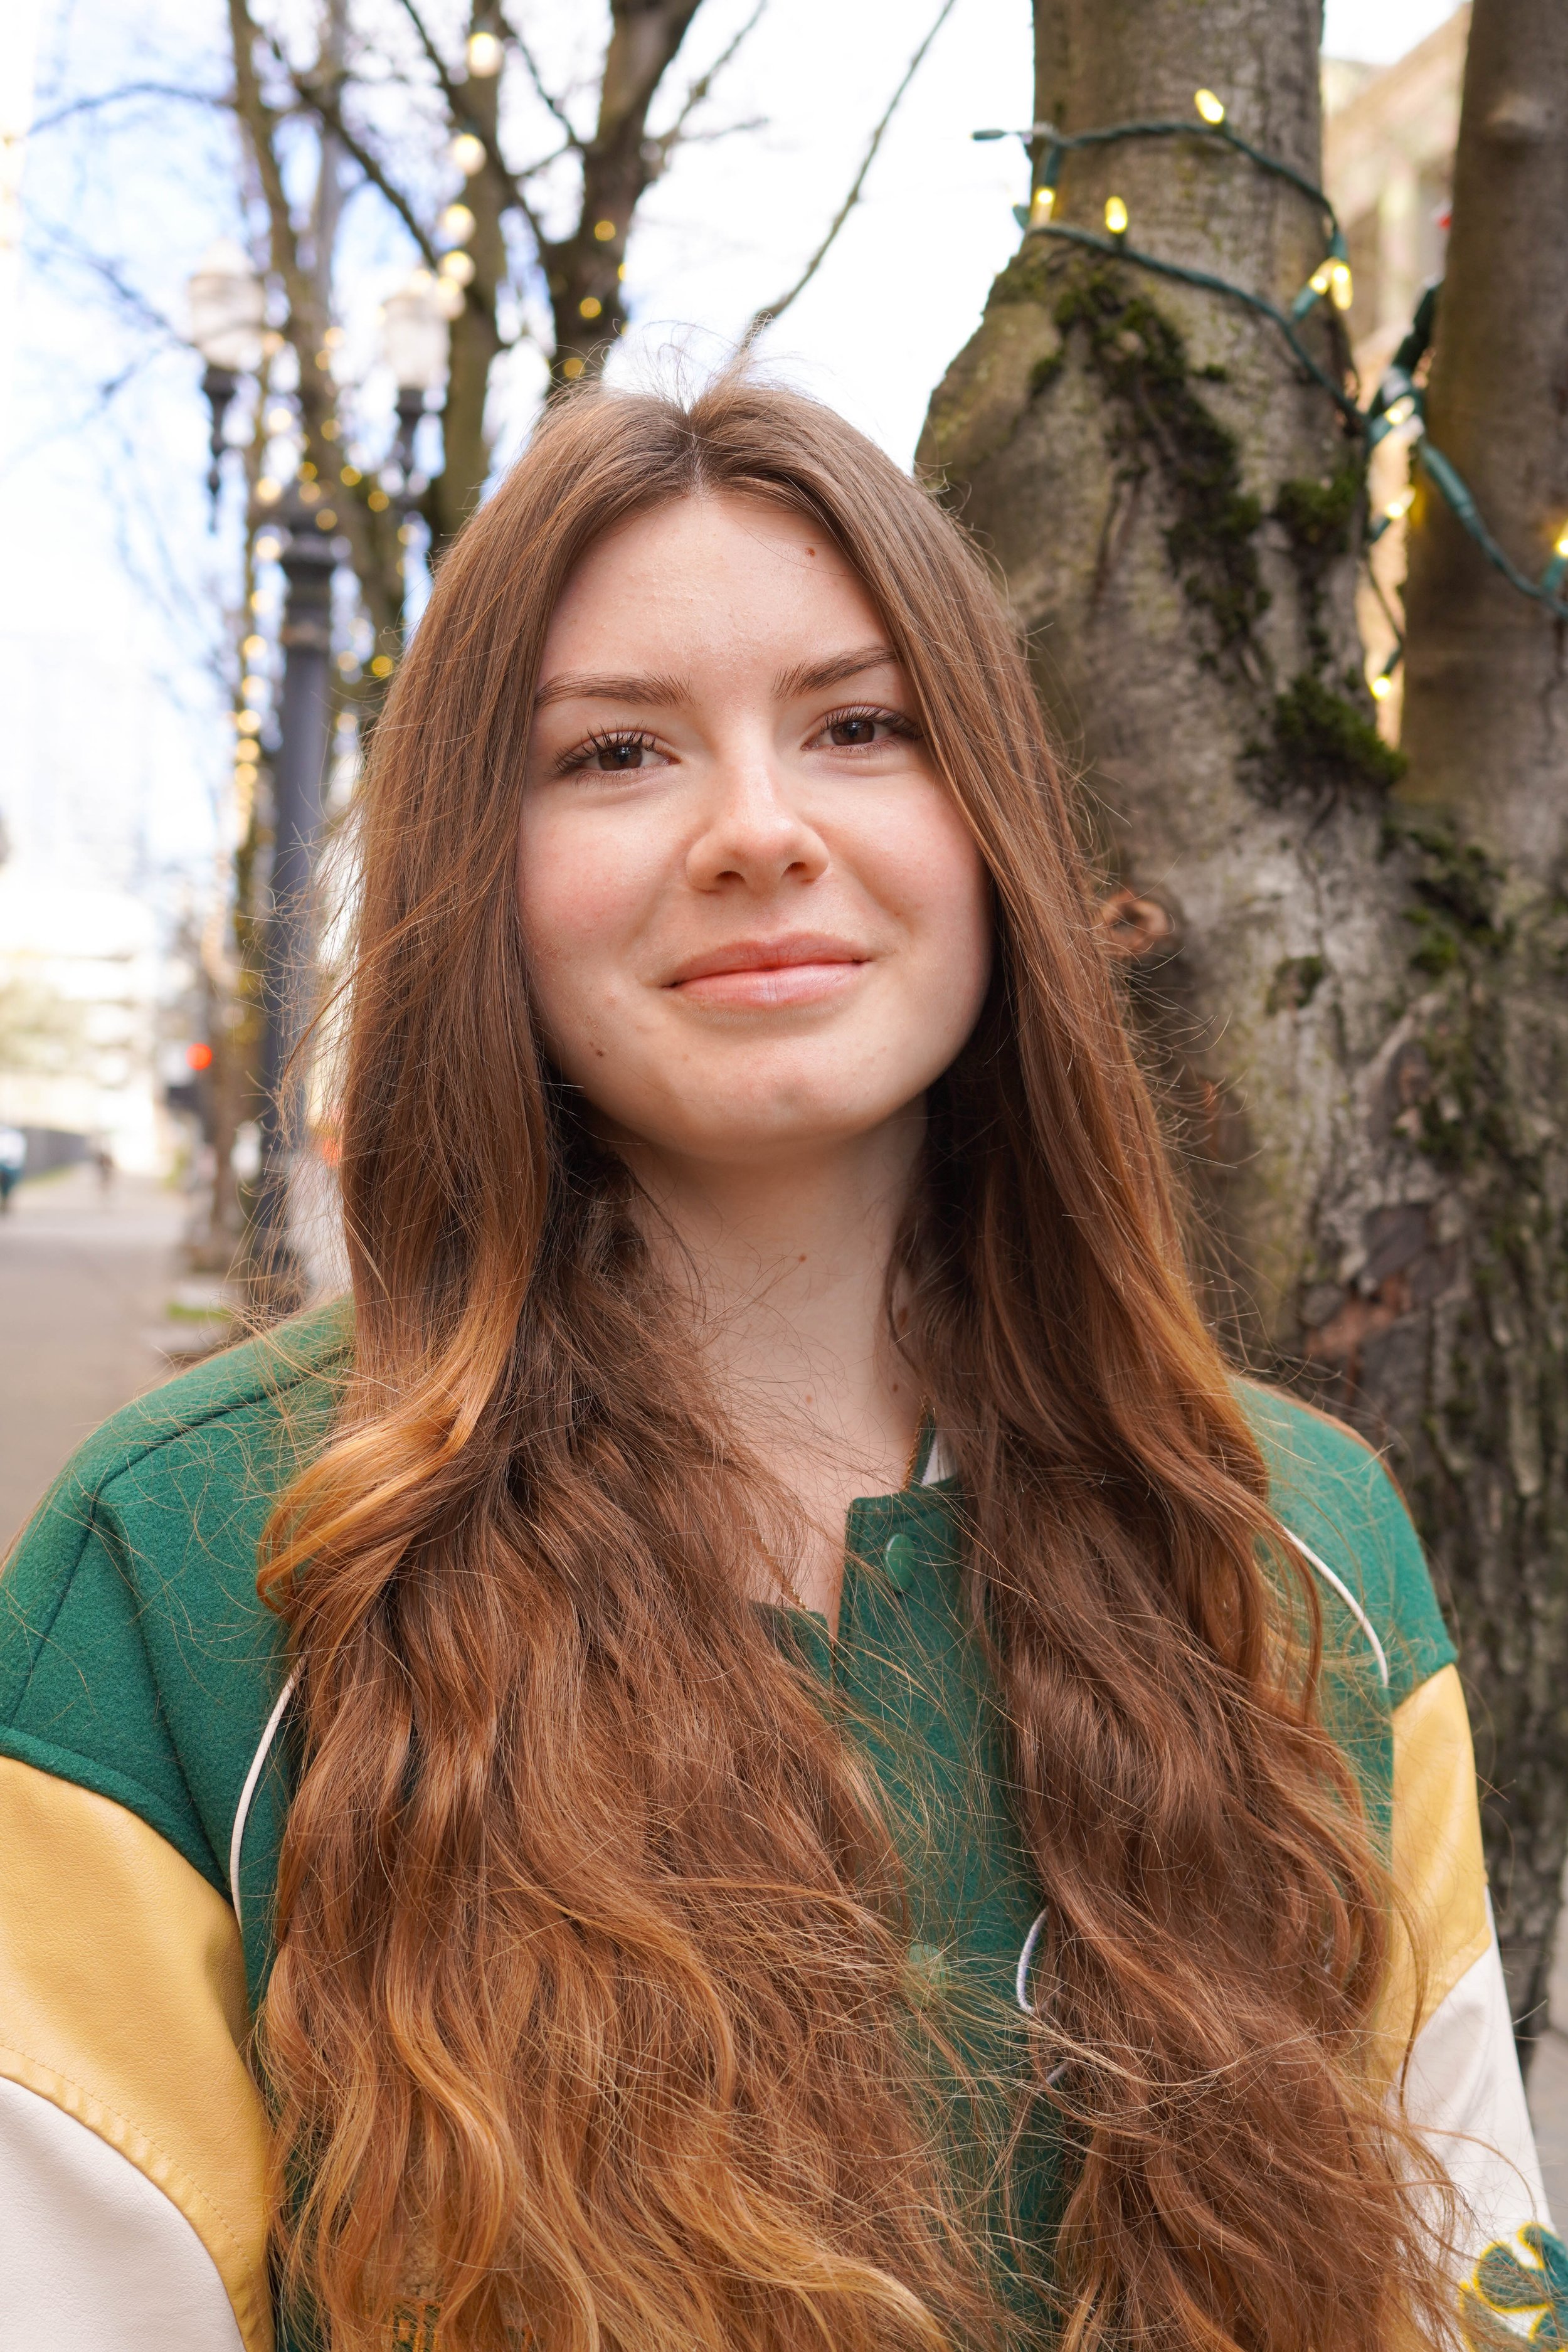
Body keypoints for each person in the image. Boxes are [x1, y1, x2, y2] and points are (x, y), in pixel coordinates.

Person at [0, 378, 1556, 2352]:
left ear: (989, 818)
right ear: (477, 873)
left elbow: (1471, 2289)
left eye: (858, 727)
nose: (756, 830)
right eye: (617, 752)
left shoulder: (1297, 1545)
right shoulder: (190, 1571)